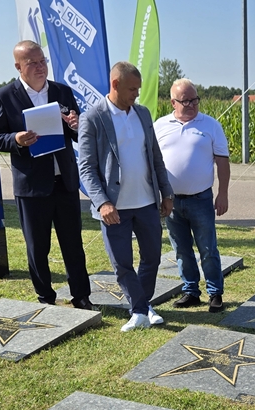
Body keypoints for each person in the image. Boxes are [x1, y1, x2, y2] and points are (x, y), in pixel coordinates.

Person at [0, 40, 92, 310]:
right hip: (32, 186)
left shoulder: (61, 91)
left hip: (65, 182)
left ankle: (81, 296)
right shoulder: (4, 96)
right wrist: (16, 139)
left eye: (42, 61)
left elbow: (77, 133)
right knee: (37, 247)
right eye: (32, 62)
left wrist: (76, 125)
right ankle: (46, 298)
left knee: (73, 244)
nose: (39, 67)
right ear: (18, 67)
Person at [78, 61, 174, 332]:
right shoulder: (93, 118)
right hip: (114, 207)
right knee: (122, 263)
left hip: (146, 202)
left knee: (152, 258)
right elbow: (86, 167)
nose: (137, 94)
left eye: (138, 89)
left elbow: (156, 157)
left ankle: (142, 307)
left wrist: (166, 192)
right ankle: (141, 310)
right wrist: (102, 202)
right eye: (132, 89)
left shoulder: (142, 113)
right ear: (115, 84)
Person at [154, 78, 230, 313]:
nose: (191, 105)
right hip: (171, 200)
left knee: (208, 248)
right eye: (185, 101)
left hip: (201, 199)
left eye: (194, 100)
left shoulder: (211, 125)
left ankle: (215, 293)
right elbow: (152, 162)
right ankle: (191, 291)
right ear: (173, 103)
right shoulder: (160, 126)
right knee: (181, 249)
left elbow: (223, 162)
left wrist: (223, 193)